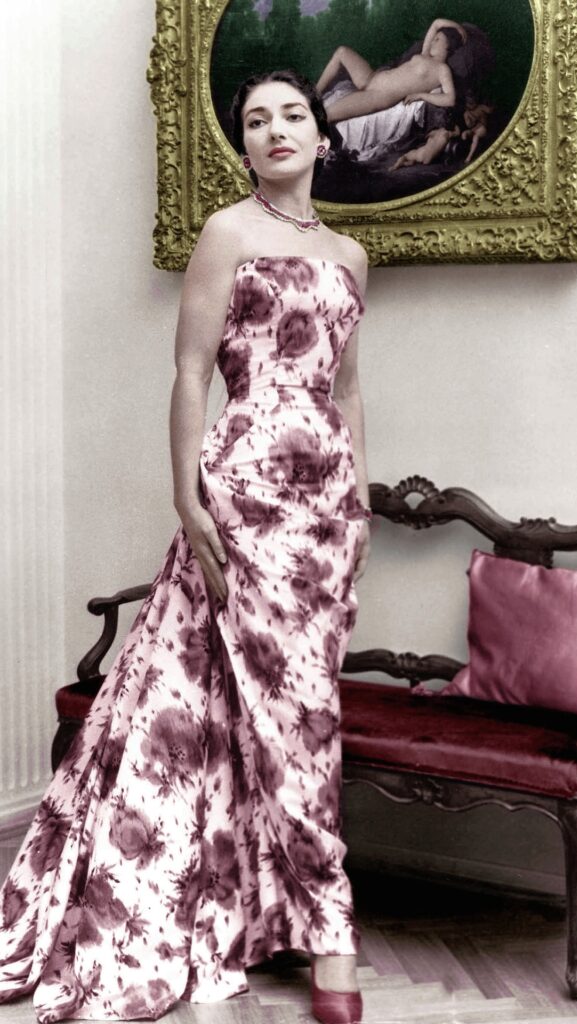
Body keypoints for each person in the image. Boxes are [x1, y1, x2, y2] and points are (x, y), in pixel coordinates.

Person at [0, 68, 371, 1024]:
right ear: (244, 147)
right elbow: (190, 371)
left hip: (328, 512)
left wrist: (361, 498)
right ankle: (333, 931)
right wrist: (186, 492)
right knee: (295, 716)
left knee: (297, 704)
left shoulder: (351, 254)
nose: (276, 129)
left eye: (293, 114)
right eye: (256, 120)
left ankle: (256, 909)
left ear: (322, 136)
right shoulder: (226, 233)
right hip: (244, 493)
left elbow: (346, 388)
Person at [316, 22, 465, 124]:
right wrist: (458, 27)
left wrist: (421, 95)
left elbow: (450, 99)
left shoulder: (442, 69)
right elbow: (436, 23)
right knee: (342, 52)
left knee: (326, 115)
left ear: (448, 45)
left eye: (437, 39)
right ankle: (314, 94)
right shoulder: (425, 54)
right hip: (372, 78)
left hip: (377, 96)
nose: (432, 41)